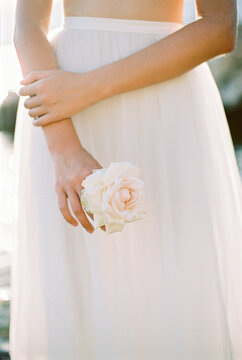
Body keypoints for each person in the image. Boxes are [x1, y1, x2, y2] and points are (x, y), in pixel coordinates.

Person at [10, 0, 242, 358]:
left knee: (171, 282)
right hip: (62, 109)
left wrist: (89, 86)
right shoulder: (62, 134)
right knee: (77, 294)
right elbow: (27, 24)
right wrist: (63, 147)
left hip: (163, 96)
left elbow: (219, 28)